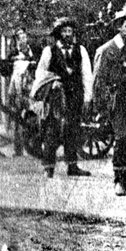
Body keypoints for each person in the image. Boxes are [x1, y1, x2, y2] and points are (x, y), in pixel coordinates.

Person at [91, 2, 126, 196]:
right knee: (121, 138)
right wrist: (102, 109)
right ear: (118, 27)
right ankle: (117, 181)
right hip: (114, 102)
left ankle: (124, 178)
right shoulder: (107, 50)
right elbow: (98, 82)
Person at [32, 17, 94, 179]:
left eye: (70, 31)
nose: (67, 34)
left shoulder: (81, 51)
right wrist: (48, 86)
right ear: (59, 33)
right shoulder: (49, 51)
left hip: (74, 96)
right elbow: (41, 73)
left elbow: (87, 75)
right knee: (52, 130)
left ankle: (72, 165)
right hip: (55, 98)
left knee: (73, 129)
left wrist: (87, 97)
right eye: (64, 31)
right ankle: (48, 167)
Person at [8, 29, 41, 158]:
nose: (22, 39)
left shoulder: (34, 49)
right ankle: (18, 149)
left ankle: (35, 145)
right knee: (18, 117)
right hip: (18, 87)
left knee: (34, 115)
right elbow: (12, 63)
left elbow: (39, 62)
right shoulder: (14, 52)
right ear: (16, 39)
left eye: (24, 36)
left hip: (32, 85)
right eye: (19, 37)